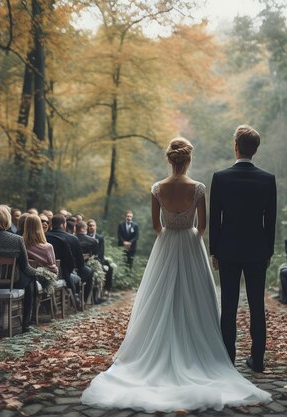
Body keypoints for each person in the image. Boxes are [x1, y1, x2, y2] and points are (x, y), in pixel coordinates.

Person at [81, 137, 271, 412]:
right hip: (192, 245)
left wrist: (170, 236)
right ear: (189, 159)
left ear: (170, 160)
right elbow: (203, 225)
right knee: (196, 298)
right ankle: (202, 350)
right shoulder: (198, 189)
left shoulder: (158, 188)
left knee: (160, 299)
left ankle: (159, 349)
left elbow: (157, 225)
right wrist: (190, 234)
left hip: (166, 245)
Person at [210, 125, 277, 373]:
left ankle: (228, 358)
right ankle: (257, 359)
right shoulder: (267, 179)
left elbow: (215, 218)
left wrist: (213, 250)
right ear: (256, 149)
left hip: (227, 249)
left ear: (235, 146)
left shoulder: (220, 177)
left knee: (228, 305)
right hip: (257, 250)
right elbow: (270, 220)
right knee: (257, 305)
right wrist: (268, 250)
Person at [0, 205, 39, 333]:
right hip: (12, 282)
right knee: (30, 279)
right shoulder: (17, 239)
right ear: (7, 220)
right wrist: (40, 273)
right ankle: (26, 323)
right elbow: (26, 267)